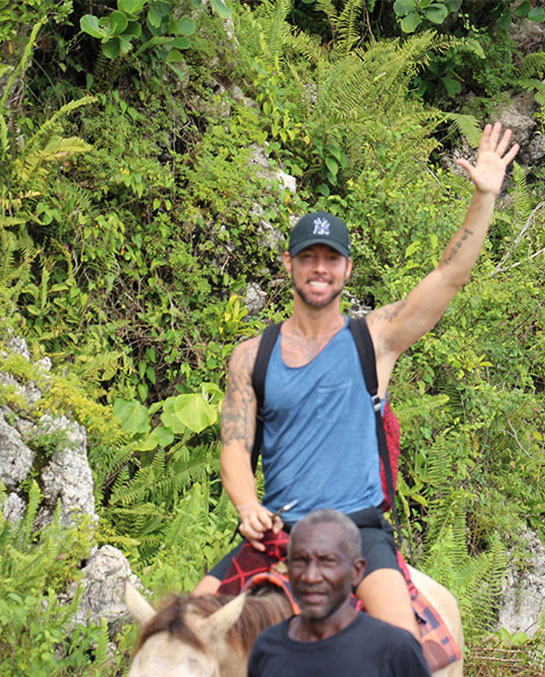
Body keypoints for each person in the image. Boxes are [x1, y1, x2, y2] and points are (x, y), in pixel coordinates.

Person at [193, 121, 519, 637]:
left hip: (357, 530)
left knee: (399, 651)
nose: (318, 268)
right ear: (289, 264)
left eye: (330, 259)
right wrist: (248, 506)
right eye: (308, 257)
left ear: (346, 269)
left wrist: (483, 196)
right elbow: (234, 447)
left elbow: (448, 276)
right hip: (280, 532)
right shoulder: (251, 356)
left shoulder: (377, 339)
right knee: (186, 628)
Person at [246, 509, 431, 677]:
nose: (311, 577)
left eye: (327, 562)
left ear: (356, 571)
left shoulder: (395, 649)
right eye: (300, 561)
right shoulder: (267, 647)